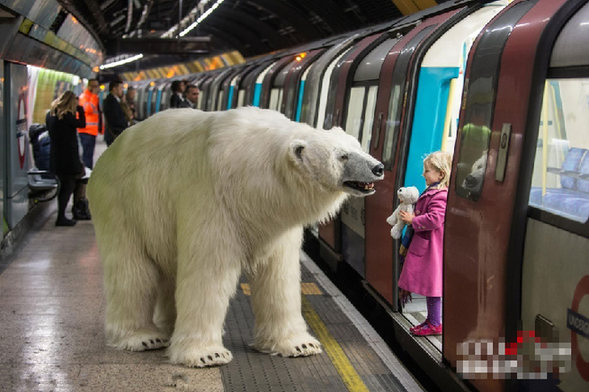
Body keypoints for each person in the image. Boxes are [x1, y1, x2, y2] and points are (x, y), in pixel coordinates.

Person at [398, 150, 452, 336]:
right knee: (430, 287)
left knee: (433, 287)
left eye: (427, 171)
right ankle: (431, 320)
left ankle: (436, 323)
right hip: (426, 246)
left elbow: (436, 219)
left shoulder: (441, 195)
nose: (423, 174)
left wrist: (414, 220)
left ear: (441, 174)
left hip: (432, 248)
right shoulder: (432, 192)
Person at [45, 91, 86, 226]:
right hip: (68, 157)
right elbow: (82, 124)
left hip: (56, 156)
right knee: (68, 186)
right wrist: (81, 110)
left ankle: (69, 212)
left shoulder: (51, 115)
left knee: (68, 184)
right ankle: (62, 216)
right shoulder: (67, 116)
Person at [77, 79, 102, 169]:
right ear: (89, 87)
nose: (97, 88)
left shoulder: (92, 96)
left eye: (97, 86)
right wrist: (94, 96)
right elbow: (88, 109)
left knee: (89, 155)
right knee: (87, 156)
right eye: (95, 86)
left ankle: (88, 172)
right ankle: (86, 175)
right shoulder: (84, 97)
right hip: (86, 131)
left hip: (91, 131)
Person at [103, 80, 128, 146]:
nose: (122, 90)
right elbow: (115, 119)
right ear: (114, 88)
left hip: (115, 135)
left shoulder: (114, 100)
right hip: (114, 135)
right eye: (121, 88)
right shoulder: (111, 101)